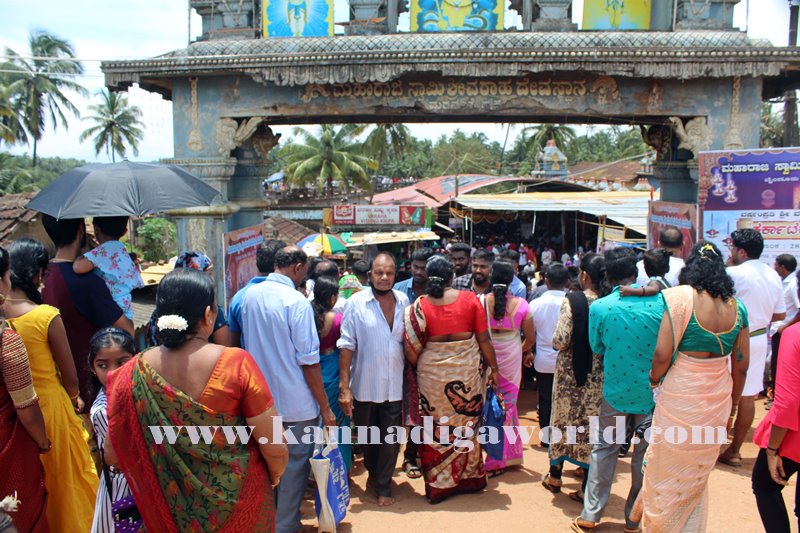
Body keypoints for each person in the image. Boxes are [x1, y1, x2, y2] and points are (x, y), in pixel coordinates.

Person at [107, 268, 288, 531]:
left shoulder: (130, 374)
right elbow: (274, 443)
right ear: (207, 314)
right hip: (240, 507)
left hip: (168, 511)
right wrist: (275, 474)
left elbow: (113, 454)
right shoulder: (235, 364)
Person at [638, 242, 750, 531]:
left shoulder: (678, 297)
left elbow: (662, 354)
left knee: (667, 466)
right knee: (696, 472)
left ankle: (662, 524)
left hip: (681, 393)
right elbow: (741, 365)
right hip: (717, 398)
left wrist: (654, 381)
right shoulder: (737, 308)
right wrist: (733, 405)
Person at [5, 238, 98, 531]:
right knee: (67, 482)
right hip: (51, 411)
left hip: (13, 414)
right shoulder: (45, 315)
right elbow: (70, 377)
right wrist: (74, 397)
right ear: (37, 273)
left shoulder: (4, 319)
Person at [240, 245, 335, 533]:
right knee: (294, 468)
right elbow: (309, 362)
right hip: (295, 402)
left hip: (259, 401)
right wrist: (325, 407)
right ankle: (286, 526)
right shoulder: (296, 302)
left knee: (265, 467)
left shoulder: (249, 297)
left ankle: (269, 523)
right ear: (297, 267)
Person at [573, 247, 662, 533]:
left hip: (616, 391)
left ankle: (590, 514)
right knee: (644, 455)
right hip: (652, 393)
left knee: (604, 449)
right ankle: (633, 518)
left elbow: (597, 347)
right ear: (636, 273)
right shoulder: (662, 303)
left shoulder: (600, 307)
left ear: (607, 277)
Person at [404, 255, 499, 504]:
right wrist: (495, 369)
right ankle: (470, 478)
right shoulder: (471, 300)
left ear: (428, 277)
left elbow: (411, 352)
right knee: (468, 427)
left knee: (435, 429)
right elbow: (484, 340)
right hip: (466, 377)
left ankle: (440, 484)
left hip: (431, 380)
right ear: (452, 277)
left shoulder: (418, 307)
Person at [338, 252, 409, 506]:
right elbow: (346, 345)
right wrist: (344, 386)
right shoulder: (356, 303)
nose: (384, 277)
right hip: (365, 385)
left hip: (395, 385)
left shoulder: (403, 301)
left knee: (390, 439)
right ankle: (374, 474)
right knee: (369, 439)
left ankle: (383, 486)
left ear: (395, 275)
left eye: (389, 273)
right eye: (379, 273)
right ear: (370, 275)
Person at [40, 214, 133, 406]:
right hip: (91, 389)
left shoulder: (42, 276)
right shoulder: (86, 281)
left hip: (60, 389)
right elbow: (126, 330)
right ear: (81, 229)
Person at [720, 229, 786, 467]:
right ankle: (734, 450)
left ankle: (714, 446)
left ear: (741, 251)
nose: (730, 252)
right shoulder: (772, 274)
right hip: (757, 338)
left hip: (731, 338)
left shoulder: (732, 273)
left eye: (732, 248)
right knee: (748, 396)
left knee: (721, 393)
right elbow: (780, 314)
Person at [548, 253, 610, 504]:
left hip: (569, 375)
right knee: (591, 426)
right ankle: (585, 485)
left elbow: (560, 340)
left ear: (584, 275)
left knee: (562, 421)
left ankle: (555, 477)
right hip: (599, 375)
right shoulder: (610, 303)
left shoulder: (573, 300)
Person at [0, 245, 50, 533]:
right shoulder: (6, 341)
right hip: (8, 449)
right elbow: (27, 409)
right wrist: (43, 442)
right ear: (2, 282)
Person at [751, 277, 800, 532]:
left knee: (765, 485)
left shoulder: (794, 335)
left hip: (793, 434)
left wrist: (772, 451)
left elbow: (788, 401)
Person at [479, 260, 534, 475]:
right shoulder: (522, 304)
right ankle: (501, 458)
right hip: (511, 358)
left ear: (491, 277)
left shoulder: (482, 301)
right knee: (508, 406)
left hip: (486, 357)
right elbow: (531, 339)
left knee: (487, 405)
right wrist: (519, 351)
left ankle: (497, 455)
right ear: (512, 280)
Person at [393, 248, 434, 480]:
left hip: (430, 360)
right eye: (415, 267)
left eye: (423, 268)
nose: (418, 272)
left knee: (426, 411)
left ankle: (413, 454)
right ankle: (400, 455)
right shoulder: (399, 290)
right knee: (401, 410)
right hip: (400, 359)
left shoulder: (436, 292)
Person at [88, 328, 135, 533]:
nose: (112, 372)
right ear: (92, 368)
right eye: (102, 365)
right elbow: (117, 458)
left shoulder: (140, 392)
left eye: (121, 362)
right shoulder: (102, 410)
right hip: (124, 486)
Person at [147, 251, 233, 347]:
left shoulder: (160, 313)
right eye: (208, 274)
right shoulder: (211, 311)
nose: (212, 279)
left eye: (211, 273)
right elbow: (226, 347)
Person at [529, 262, 568, 469]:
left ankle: (546, 437)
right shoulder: (572, 302)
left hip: (543, 359)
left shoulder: (536, 304)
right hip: (565, 360)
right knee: (564, 400)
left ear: (546, 281)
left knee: (545, 399)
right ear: (567, 281)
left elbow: (530, 332)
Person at [312, 276, 352, 472]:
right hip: (333, 369)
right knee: (338, 421)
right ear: (332, 297)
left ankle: (316, 469)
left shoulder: (307, 316)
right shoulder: (337, 319)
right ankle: (340, 468)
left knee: (317, 421)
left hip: (313, 370)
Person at [72, 216, 144, 321]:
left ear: (96, 228)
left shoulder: (103, 250)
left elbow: (78, 267)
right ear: (125, 231)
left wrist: (82, 256)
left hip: (110, 310)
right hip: (125, 308)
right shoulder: (122, 250)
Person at [228, 239, 286, 348]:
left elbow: (234, 344)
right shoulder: (290, 296)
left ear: (257, 263)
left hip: (248, 358)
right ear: (283, 264)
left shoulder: (239, 298)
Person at [768, 254, 799, 408]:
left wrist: (786, 327)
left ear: (782, 267)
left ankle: (778, 399)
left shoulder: (793, 285)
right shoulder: (784, 282)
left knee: (781, 367)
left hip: (784, 332)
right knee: (776, 365)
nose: (774, 267)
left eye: (776, 265)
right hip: (779, 331)